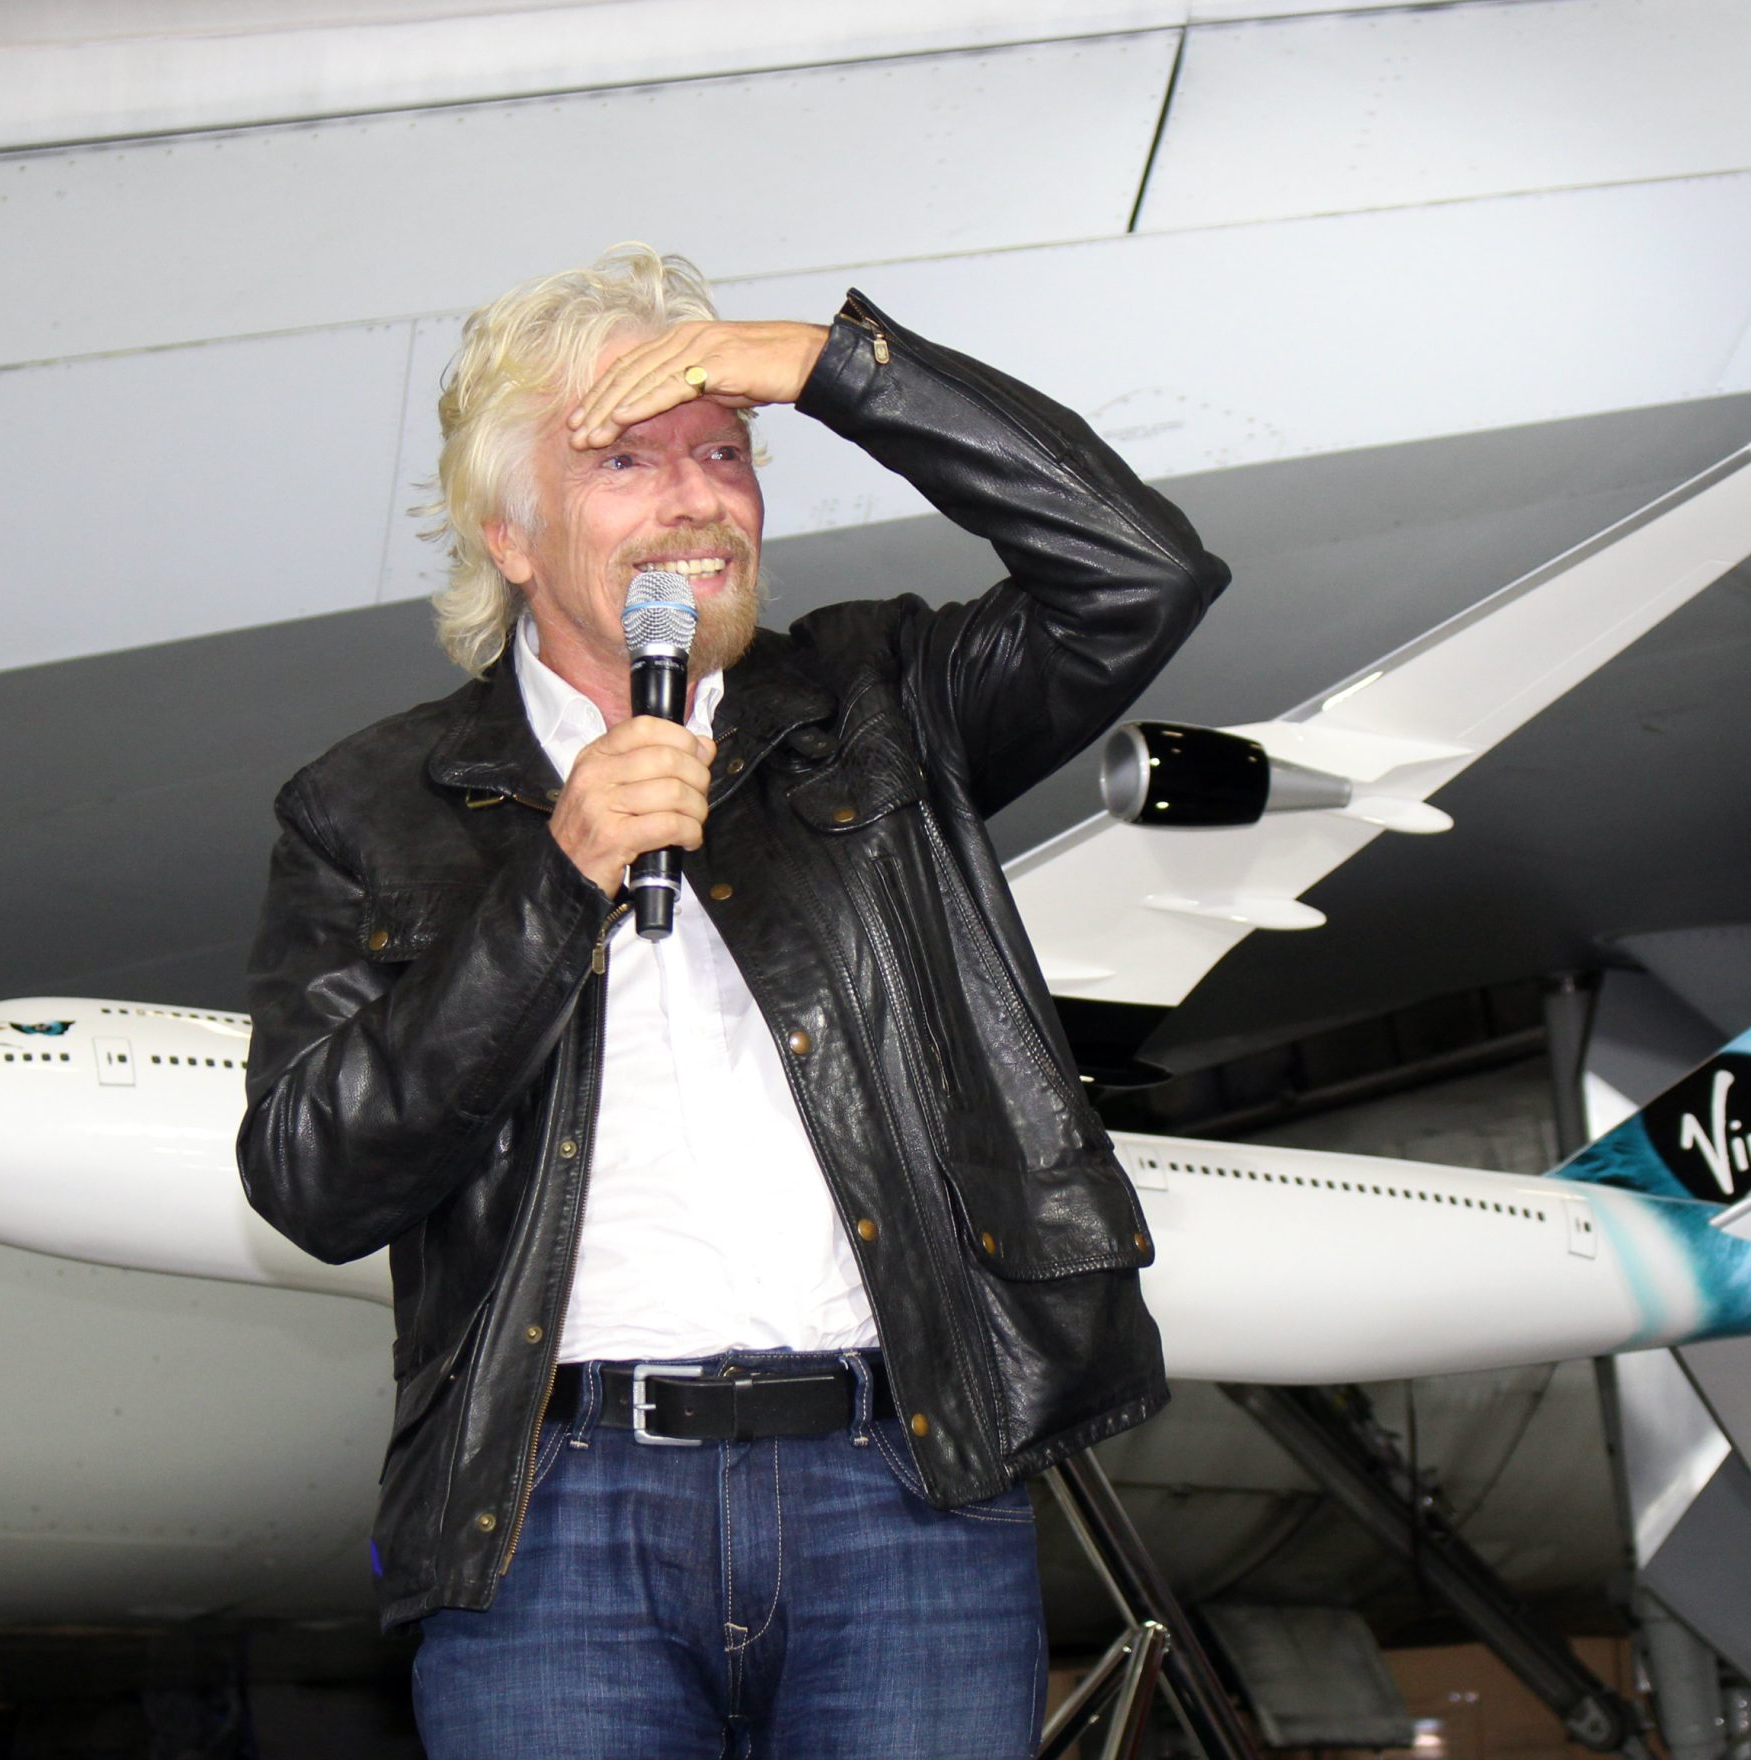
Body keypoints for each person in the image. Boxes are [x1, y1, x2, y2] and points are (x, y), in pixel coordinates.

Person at [237, 245, 1228, 1758]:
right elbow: (313, 1178)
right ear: (509, 532)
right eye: (626, 461)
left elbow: (1137, 571)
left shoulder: (880, 706)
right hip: (551, 1519)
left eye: (723, 449)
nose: (697, 496)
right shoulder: (368, 805)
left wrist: (840, 367)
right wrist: (556, 882)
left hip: (906, 1484)